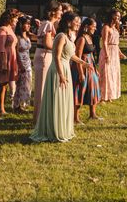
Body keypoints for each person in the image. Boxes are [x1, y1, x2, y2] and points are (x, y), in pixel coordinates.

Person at [31, 12, 87, 142]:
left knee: (64, 100)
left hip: (65, 68)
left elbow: (70, 55)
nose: (78, 24)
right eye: (76, 21)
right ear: (68, 23)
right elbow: (56, 56)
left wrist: (84, 63)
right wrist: (61, 75)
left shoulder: (68, 37)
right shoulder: (61, 36)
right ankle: (53, 130)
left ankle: (62, 129)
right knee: (57, 99)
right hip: (58, 70)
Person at [33, 1, 62, 122]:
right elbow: (47, 43)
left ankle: (42, 115)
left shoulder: (47, 24)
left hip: (44, 55)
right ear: (53, 11)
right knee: (42, 87)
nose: (61, 12)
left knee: (44, 86)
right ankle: (39, 118)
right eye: (59, 10)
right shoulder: (48, 24)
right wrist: (60, 47)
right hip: (45, 56)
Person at [0, 9, 19, 120]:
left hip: (11, 58)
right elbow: (1, 48)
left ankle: (1, 108)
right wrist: (4, 63)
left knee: (4, 85)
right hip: (2, 59)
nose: (17, 20)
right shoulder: (2, 29)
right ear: (9, 18)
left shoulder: (10, 29)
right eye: (15, 18)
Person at [74, 18, 102, 121]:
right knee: (81, 90)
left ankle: (92, 114)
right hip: (82, 65)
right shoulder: (81, 39)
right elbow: (78, 56)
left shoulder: (89, 37)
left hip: (91, 66)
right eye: (93, 26)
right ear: (86, 26)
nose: (95, 28)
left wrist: (96, 69)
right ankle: (76, 118)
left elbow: (91, 54)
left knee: (93, 89)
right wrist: (81, 73)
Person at [98, 9, 127, 102]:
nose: (118, 18)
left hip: (114, 52)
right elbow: (104, 42)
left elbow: (116, 44)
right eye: (116, 16)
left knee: (112, 74)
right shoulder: (106, 27)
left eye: (119, 16)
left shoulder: (116, 28)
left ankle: (109, 95)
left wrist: (120, 53)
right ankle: (102, 96)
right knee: (105, 74)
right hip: (108, 51)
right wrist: (106, 54)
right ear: (111, 16)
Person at [14, 16, 33, 113]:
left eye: (30, 24)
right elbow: (16, 52)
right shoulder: (17, 37)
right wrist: (20, 64)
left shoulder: (28, 35)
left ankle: (23, 103)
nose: (29, 25)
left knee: (27, 84)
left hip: (28, 62)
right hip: (20, 62)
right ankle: (17, 104)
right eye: (27, 24)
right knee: (20, 84)